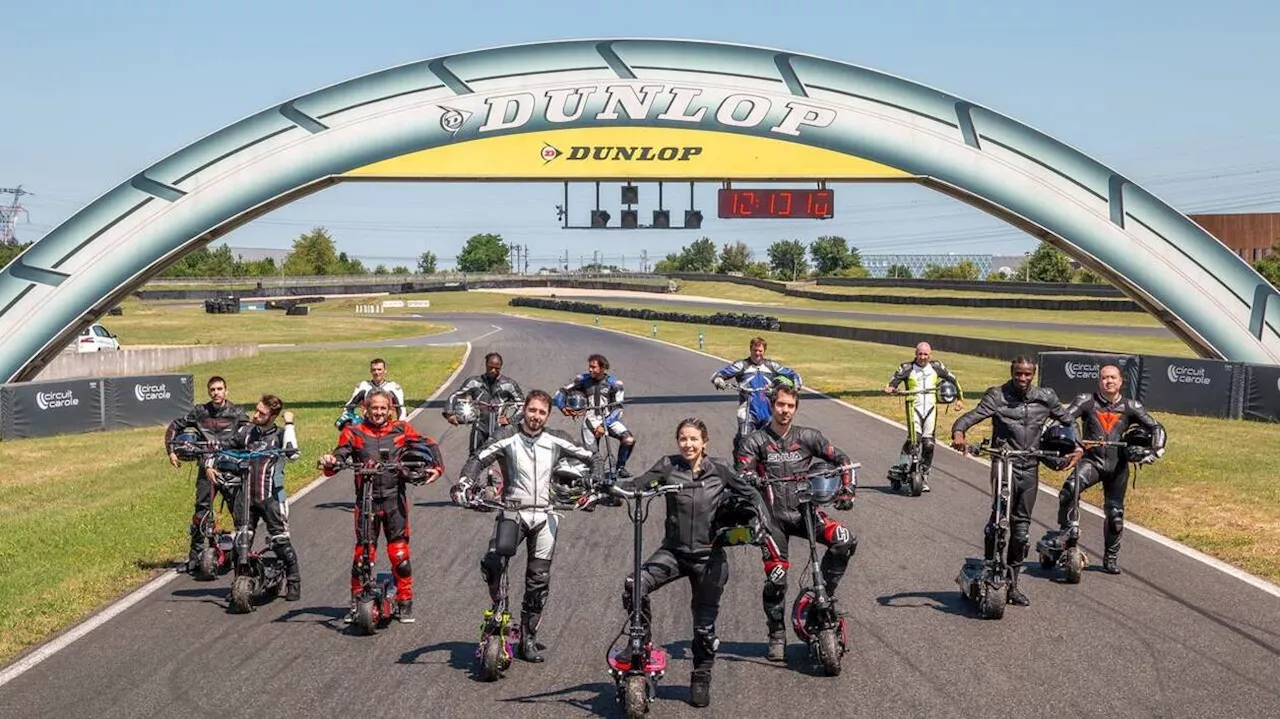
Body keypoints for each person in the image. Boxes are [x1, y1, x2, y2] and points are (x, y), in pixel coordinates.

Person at [617, 418, 756, 708]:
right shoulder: (668, 466)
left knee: (704, 629)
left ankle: (701, 677)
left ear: (705, 442)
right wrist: (608, 487)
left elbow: (751, 494)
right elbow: (637, 484)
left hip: (710, 557)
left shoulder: (720, 469)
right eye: (683, 438)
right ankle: (640, 643)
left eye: (694, 439)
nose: (688, 444)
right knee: (634, 584)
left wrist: (760, 523)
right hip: (673, 552)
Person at [451, 389, 598, 663]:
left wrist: (597, 485)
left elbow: (592, 457)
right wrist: (464, 483)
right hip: (512, 510)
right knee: (494, 562)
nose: (536, 417)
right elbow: (478, 458)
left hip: (546, 515)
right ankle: (498, 607)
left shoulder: (557, 438)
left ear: (548, 415)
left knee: (538, 581)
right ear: (525, 411)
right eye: (532, 410)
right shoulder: (507, 437)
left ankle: (528, 639)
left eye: (542, 412)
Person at [734, 382, 857, 663]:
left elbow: (842, 460)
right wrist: (750, 477)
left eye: (790, 406)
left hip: (807, 514)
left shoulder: (808, 436)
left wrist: (847, 489)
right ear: (771, 405)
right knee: (776, 579)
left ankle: (821, 596)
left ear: (796, 408)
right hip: (772, 519)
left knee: (844, 539)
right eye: (780, 405)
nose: (785, 411)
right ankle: (776, 634)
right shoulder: (753, 441)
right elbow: (742, 470)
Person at [950, 355, 1080, 607]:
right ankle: (989, 568)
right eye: (1018, 373)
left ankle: (1013, 585)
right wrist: (958, 432)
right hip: (1004, 463)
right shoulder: (997, 396)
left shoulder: (1046, 397)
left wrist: (1077, 446)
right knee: (998, 521)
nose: (1022, 378)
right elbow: (972, 416)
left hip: (1030, 466)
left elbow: (1069, 421)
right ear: (1012, 372)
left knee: (1021, 532)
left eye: (1027, 374)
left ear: (1034, 374)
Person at [321, 389, 444, 623]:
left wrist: (437, 468)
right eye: (374, 408)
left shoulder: (401, 429)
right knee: (362, 556)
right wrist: (330, 460)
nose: (378, 412)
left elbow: (429, 444)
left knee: (400, 555)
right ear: (365, 409)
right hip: (365, 502)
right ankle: (357, 603)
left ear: (390, 410)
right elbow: (338, 458)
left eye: (383, 408)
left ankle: (405, 601)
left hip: (394, 501)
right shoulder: (353, 432)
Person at [1048, 364, 1166, 574]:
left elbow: (1156, 427)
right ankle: (1065, 533)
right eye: (1104, 378)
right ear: (1098, 381)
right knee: (1069, 490)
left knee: (1115, 515)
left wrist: (1155, 450)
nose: (1108, 381)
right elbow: (1064, 419)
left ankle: (1110, 558)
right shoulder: (1086, 401)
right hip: (1091, 461)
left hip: (1117, 466)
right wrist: (1061, 442)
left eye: (1113, 378)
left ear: (1121, 381)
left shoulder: (1132, 406)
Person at [208, 395, 303, 601]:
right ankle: (240, 582)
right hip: (246, 499)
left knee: (280, 543)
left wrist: (289, 423)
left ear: (273, 416)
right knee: (241, 542)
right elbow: (223, 446)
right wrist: (209, 464)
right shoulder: (246, 432)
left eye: (262, 413)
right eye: (256, 410)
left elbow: (293, 454)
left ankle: (294, 581)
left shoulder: (280, 434)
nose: (256, 415)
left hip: (272, 498)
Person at [165, 375, 248, 573]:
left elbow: (248, 435)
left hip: (230, 468)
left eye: (219, 389)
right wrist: (171, 451)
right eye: (212, 390)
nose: (216, 393)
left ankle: (242, 556)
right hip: (205, 468)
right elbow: (175, 426)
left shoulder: (237, 412)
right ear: (208, 392)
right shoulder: (200, 412)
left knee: (239, 513)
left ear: (226, 391)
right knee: (200, 513)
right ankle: (194, 557)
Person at [882, 342, 965, 492]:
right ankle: (903, 463)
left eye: (925, 354)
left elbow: (954, 380)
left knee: (929, 444)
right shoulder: (907, 368)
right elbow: (893, 382)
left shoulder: (937, 367)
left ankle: (924, 473)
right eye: (920, 354)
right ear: (916, 354)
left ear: (930, 355)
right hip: (913, 407)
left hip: (931, 409)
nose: (922, 357)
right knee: (914, 440)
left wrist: (959, 399)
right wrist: (890, 388)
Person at [711, 337, 803, 451]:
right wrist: (719, 379)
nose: (757, 353)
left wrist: (796, 386)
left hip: (768, 410)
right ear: (750, 349)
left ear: (764, 351)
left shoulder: (772, 365)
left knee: (773, 441)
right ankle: (740, 463)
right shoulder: (741, 365)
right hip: (748, 409)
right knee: (744, 438)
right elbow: (720, 374)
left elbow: (793, 374)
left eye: (760, 351)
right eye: (755, 350)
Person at [553, 353, 635, 477]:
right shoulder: (582, 380)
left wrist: (603, 425)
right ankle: (594, 479)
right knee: (594, 458)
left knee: (629, 440)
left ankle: (620, 468)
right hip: (589, 423)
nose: (590, 369)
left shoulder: (615, 384)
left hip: (609, 420)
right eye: (589, 367)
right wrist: (562, 407)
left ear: (603, 368)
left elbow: (618, 410)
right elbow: (560, 392)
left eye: (594, 367)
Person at [442, 352, 525, 457]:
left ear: (500, 367)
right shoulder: (474, 382)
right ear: (486, 365)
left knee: (506, 459)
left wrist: (510, 420)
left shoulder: (509, 384)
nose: (493, 371)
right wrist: (450, 413)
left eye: (497, 368)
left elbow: (523, 405)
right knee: (473, 459)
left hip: (500, 429)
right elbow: (455, 396)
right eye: (491, 367)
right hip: (479, 427)